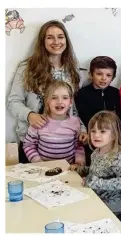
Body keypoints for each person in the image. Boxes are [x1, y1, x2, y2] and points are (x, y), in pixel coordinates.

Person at [7, 20, 87, 163]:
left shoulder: (73, 69)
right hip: (32, 145)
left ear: (66, 40)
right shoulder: (27, 68)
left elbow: (72, 108)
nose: (56, 41)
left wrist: (82, 129)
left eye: (60, 36)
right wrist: (30, 115)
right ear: (42, 41)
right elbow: (13, 101)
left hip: (65, 145)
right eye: (50, 37)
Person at [69, 111, 121, 223]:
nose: (96, 135)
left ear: (113, 135)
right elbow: (96, 171)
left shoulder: (117, 158)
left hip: (113, 208)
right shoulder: (95, 153)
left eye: (102, 131)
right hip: (96, 200)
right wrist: (81, 170)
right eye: (93, 131)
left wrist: (98, 183)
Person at [22, 80, 85, 164]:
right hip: (42, 170)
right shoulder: (39, 121)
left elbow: (78, 146)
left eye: (65, 98)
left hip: (68, 171)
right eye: (54, 97)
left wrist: (79, 162)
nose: (59, 101)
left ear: (70, 102)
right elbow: (28, 145)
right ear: (47, 101)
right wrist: (38, 162)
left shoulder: (75, 122)